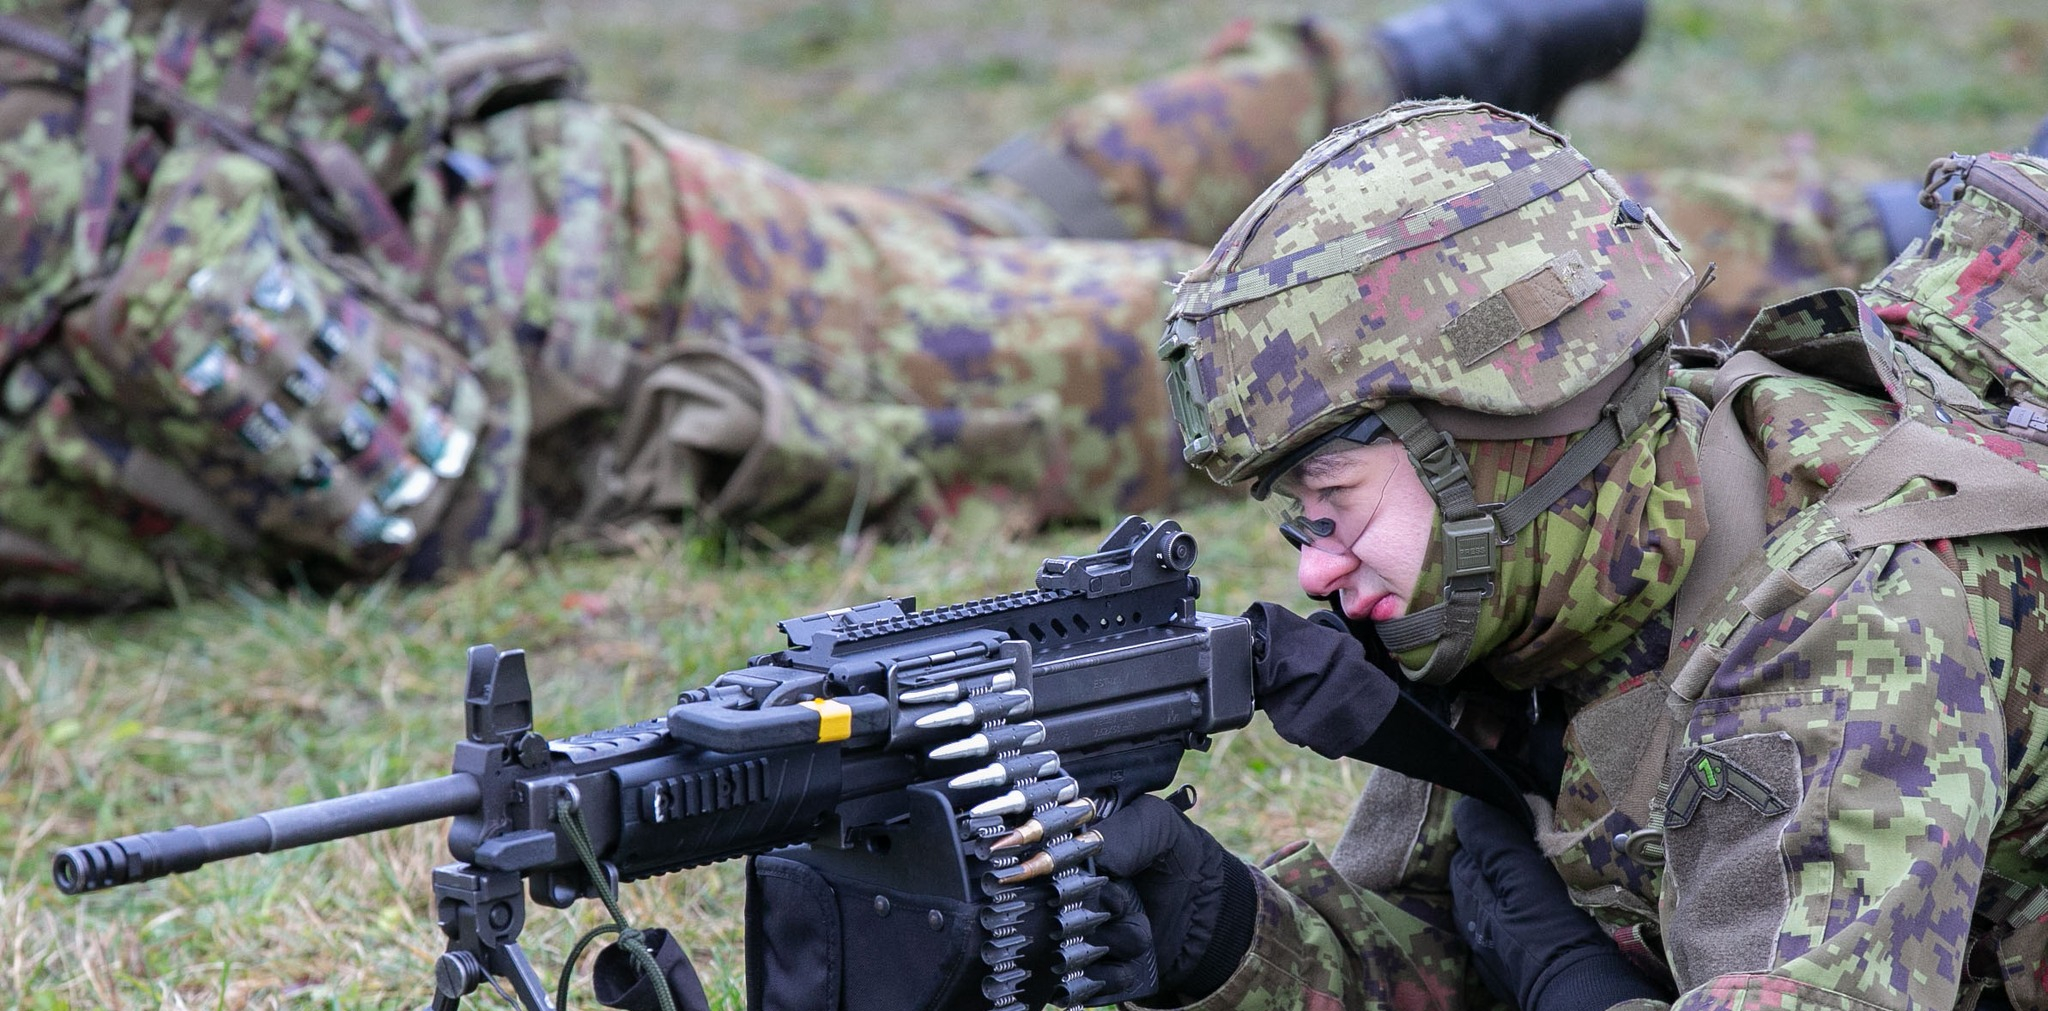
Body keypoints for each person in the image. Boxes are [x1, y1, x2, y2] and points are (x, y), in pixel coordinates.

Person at [0, 0, 1930, 613]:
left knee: (1265, 342)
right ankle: (1390, 44)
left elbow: (400, 451)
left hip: (616, 315)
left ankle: (1864, 234)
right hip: (568, 237)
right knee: (963, 231)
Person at [1090, 97, 2048, 1011]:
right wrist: (1198, 926)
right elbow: (1442, 980)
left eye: (1334, 507)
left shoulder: (1840, 613)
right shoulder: (1563, 570)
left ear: (1491, 441)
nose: (1313, 564)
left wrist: (1577, 995)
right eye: (1298, 520)